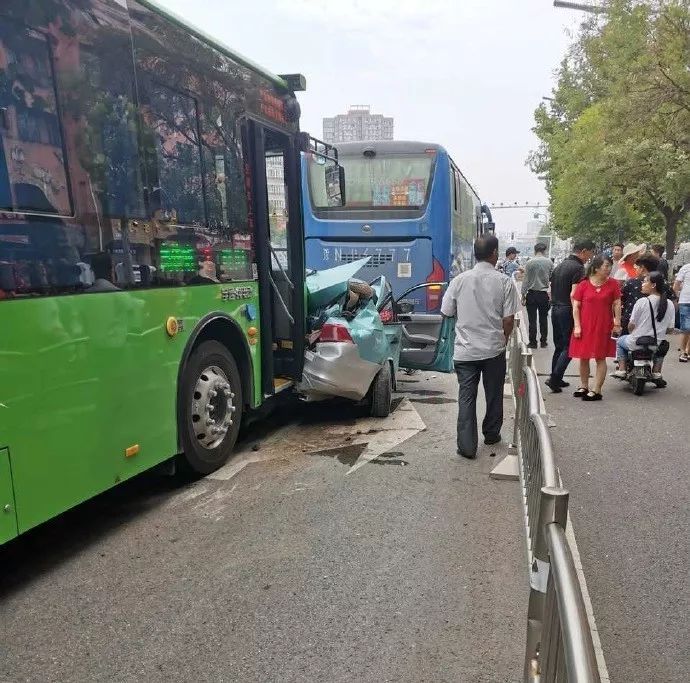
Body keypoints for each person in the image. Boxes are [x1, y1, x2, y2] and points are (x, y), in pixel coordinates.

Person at [441, 234, 521, 459]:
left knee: (466, 396)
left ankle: (466, 446)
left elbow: (446, 311)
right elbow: (508, 319)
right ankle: (492, 433)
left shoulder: (459, 280)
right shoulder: (504, 281)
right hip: (493, 349)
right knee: (493, 393)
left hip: (465, 351)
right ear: (495, 253)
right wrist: (503, 339)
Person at [545, 239, 596, 393]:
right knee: (569, 346)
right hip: (568, 309)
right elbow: (576, 294)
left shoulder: (559, 266)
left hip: (555, 309)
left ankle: (556, 377)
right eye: (591, 253)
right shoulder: (579, 269)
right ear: (584, 251)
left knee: (559, 345)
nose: (590, 256)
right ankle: (554, 378)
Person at [569, 256, 622, 401]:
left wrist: (617, 322)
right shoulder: (584, 284)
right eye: (606, 266)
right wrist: (577, 325)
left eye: (610, 266)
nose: (609, 269)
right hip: (585, 324)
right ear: (596, 268)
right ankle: (583, 385)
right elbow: (576, 306)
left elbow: (617, 304)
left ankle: (597, 389)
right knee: (583, 356)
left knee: (600, 357)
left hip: (603, 324)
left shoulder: (613, 284)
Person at [612, 271, 675, 382]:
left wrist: (632, 332)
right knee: (664, 345)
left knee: (620, 341)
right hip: (657, 345)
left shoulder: (642, 302)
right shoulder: (670, 304)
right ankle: (656, 372)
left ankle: (621, 369)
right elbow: (670, 329)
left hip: (636, 342)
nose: (642, 284)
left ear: (653, 285)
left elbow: (631, 325)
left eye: (645, 281)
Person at [521, 242, 554, 349]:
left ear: (535, 251)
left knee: (532, 320)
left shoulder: (529, 262)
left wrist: (523, 294)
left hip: (531, 294)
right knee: (543, 319)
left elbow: (526, 280)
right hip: (543, 295)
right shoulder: (549, 262)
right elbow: (552, 278)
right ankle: (543, 341)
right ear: (544, 250)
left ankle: (533, 342)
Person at [620, 254, 662, 334]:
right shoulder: (663, 284)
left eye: (637, 267)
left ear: (642, 268)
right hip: (655, 327)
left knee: (620, 344)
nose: (636, 269)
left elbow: (620, 300)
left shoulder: (631, 283)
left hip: (631, 326)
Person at [673, 260, 690, 362]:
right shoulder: (686, 268)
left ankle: (687, 350)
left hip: (684, 301)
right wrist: (675, 297)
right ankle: (683, 351)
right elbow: (677, 284)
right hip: (685, 301)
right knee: (686, 327)